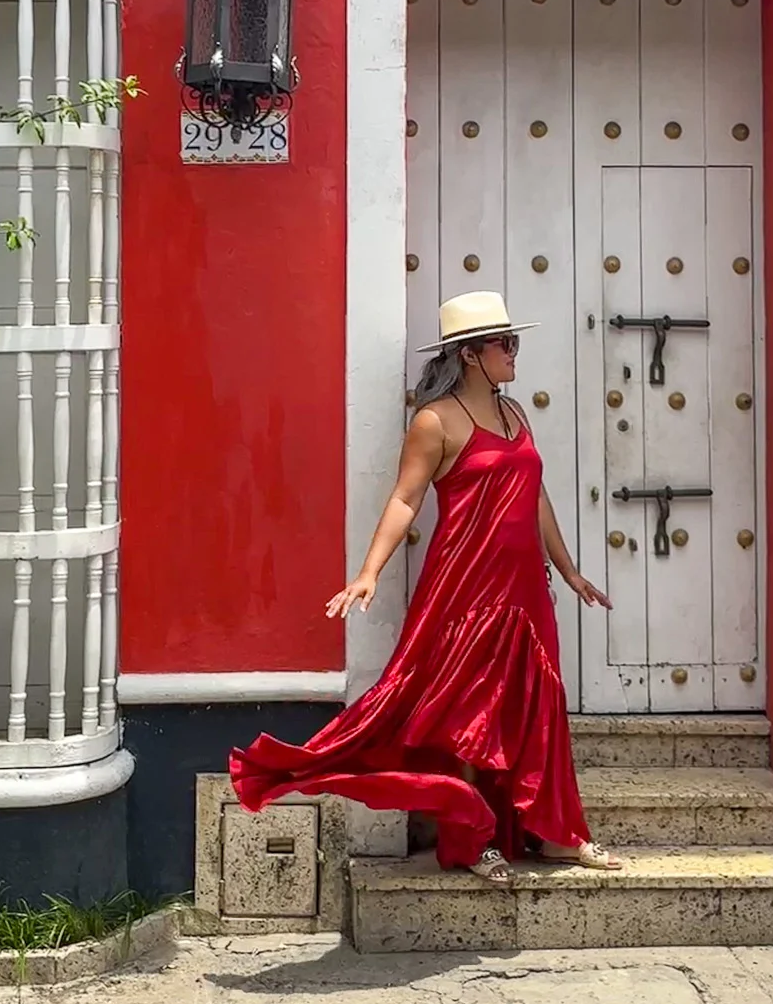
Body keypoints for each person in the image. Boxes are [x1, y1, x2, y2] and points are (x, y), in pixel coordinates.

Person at [229, 291, 622, 879]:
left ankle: (557, 835)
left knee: (537, 704)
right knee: (470, 712)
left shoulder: (517, 415)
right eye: (503, 344)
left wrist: (568, 571)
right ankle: (473, 839)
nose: (514, 353)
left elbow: (535, 496)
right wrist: (368, 573)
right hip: (466, 586)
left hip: (523, 591)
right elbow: (405, 499)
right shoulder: (434, 422)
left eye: (514, 342)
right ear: (470, 355)